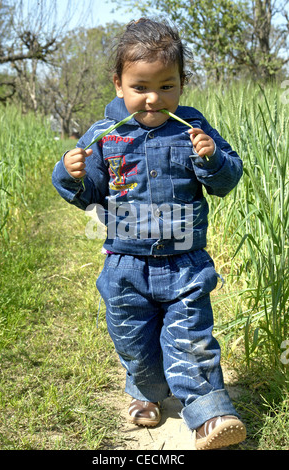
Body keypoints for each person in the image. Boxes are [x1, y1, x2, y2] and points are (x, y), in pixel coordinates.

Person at [52, 18, 246, 450]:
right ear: (119, 84)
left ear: (182, 83)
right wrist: (70, 174)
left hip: (185, 261)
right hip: (125, 264)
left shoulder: (193, 128)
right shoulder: (105, 134)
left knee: (191, 336)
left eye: (167, 85)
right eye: (140, 87)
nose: (154, 98)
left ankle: (209, 414)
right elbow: (88, 195)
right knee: (133, 338)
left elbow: (226, 181)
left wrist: (212, 158)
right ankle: (146, 393)